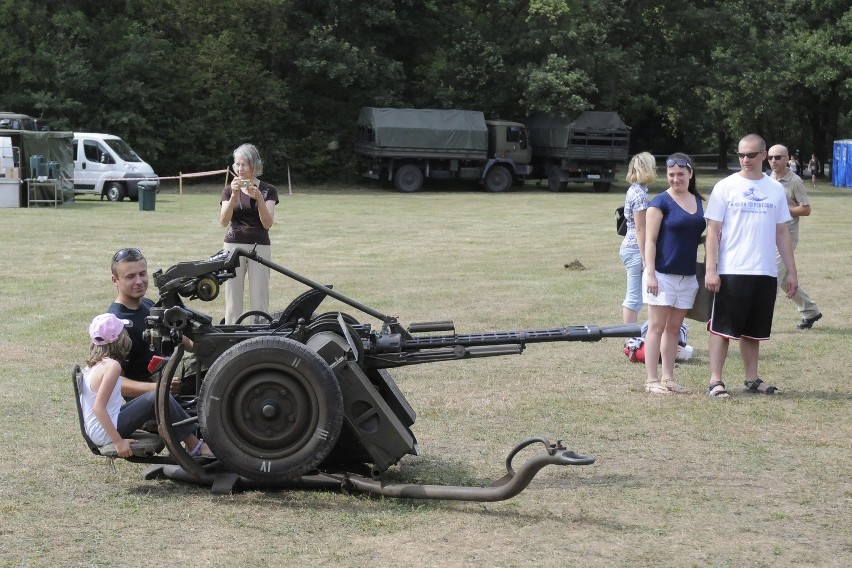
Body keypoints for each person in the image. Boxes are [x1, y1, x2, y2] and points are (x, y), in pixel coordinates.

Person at [704, 134, 798, 399]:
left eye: (751, 155)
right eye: (741, 155)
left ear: (763, 155)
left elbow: (782, 232)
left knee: (753, 331)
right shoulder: (725, 186)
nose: (745, 160)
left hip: (764, 270)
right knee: (722, 329)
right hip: (732, 269)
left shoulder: (775, 189)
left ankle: (752, 378)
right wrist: (712, 269)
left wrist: (791, 271)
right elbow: (713, 230)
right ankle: (715, 381)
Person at [80, 313, 213, 459]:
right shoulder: (112, 366)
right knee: (157, 397)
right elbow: (98, 408)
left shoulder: (94, 366)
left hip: (99, 428)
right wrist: (118, 442)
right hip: (103, 432)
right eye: (124, 332)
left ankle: (185, 441)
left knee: (155, 396)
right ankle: (195, 446)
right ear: (119, 338)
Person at [642, 153, 706, 395]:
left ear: (690, 173)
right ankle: (651, 380)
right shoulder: (660, 202)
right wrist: (650, 273)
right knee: (656, 327)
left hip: (688, 276)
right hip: (662, 275)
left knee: (674, 328)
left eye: (680, 174)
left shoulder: (698, 201)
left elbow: (691, 236)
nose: (676, 179)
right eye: (671, 175)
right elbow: (649, 240)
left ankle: (668, 378)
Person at [109, 248, 191, 398]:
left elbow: (184, 340)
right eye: (130, 277)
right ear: (115, 280)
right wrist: (159, 387)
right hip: (149, 397)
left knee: (217, 360)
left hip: (168, 373)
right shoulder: (115, 323)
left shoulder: (148, 305)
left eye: (142, 274)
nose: (139, 281)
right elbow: (112, 381)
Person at [220, 143, 279, 324]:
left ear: (254, 165)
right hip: (233, 245)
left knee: (259, 298)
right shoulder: (229, 189)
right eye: (237, 164)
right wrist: (233, 197)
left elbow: (267, 223)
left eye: (244, 164)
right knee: (232, 299)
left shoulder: (268, 190)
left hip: (259, 245)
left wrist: (259, 198)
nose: (240, 169)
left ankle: (259, 336)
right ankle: (231, 335)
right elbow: (223, 221)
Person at [767, 144, 822, 329]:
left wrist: (784, 210)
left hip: (787, 236)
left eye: (778, 157)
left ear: (787, 158)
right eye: (770, 157)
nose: (773, 161)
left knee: (771, 277)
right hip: (768, 234)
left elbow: (806, 209)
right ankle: (811, 311)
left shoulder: (795, 181)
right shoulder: (769, 177)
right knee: (783, 280)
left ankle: (761, 322)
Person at [620, 152, 657, 324]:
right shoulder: (640, 195)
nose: (655, 170)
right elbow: (641, 229)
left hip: (630, 247)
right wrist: (645, 258)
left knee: (636, 297)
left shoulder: (635, 189)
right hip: (635, 249)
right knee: (634, 299)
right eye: (653, 166)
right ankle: (630, 340)